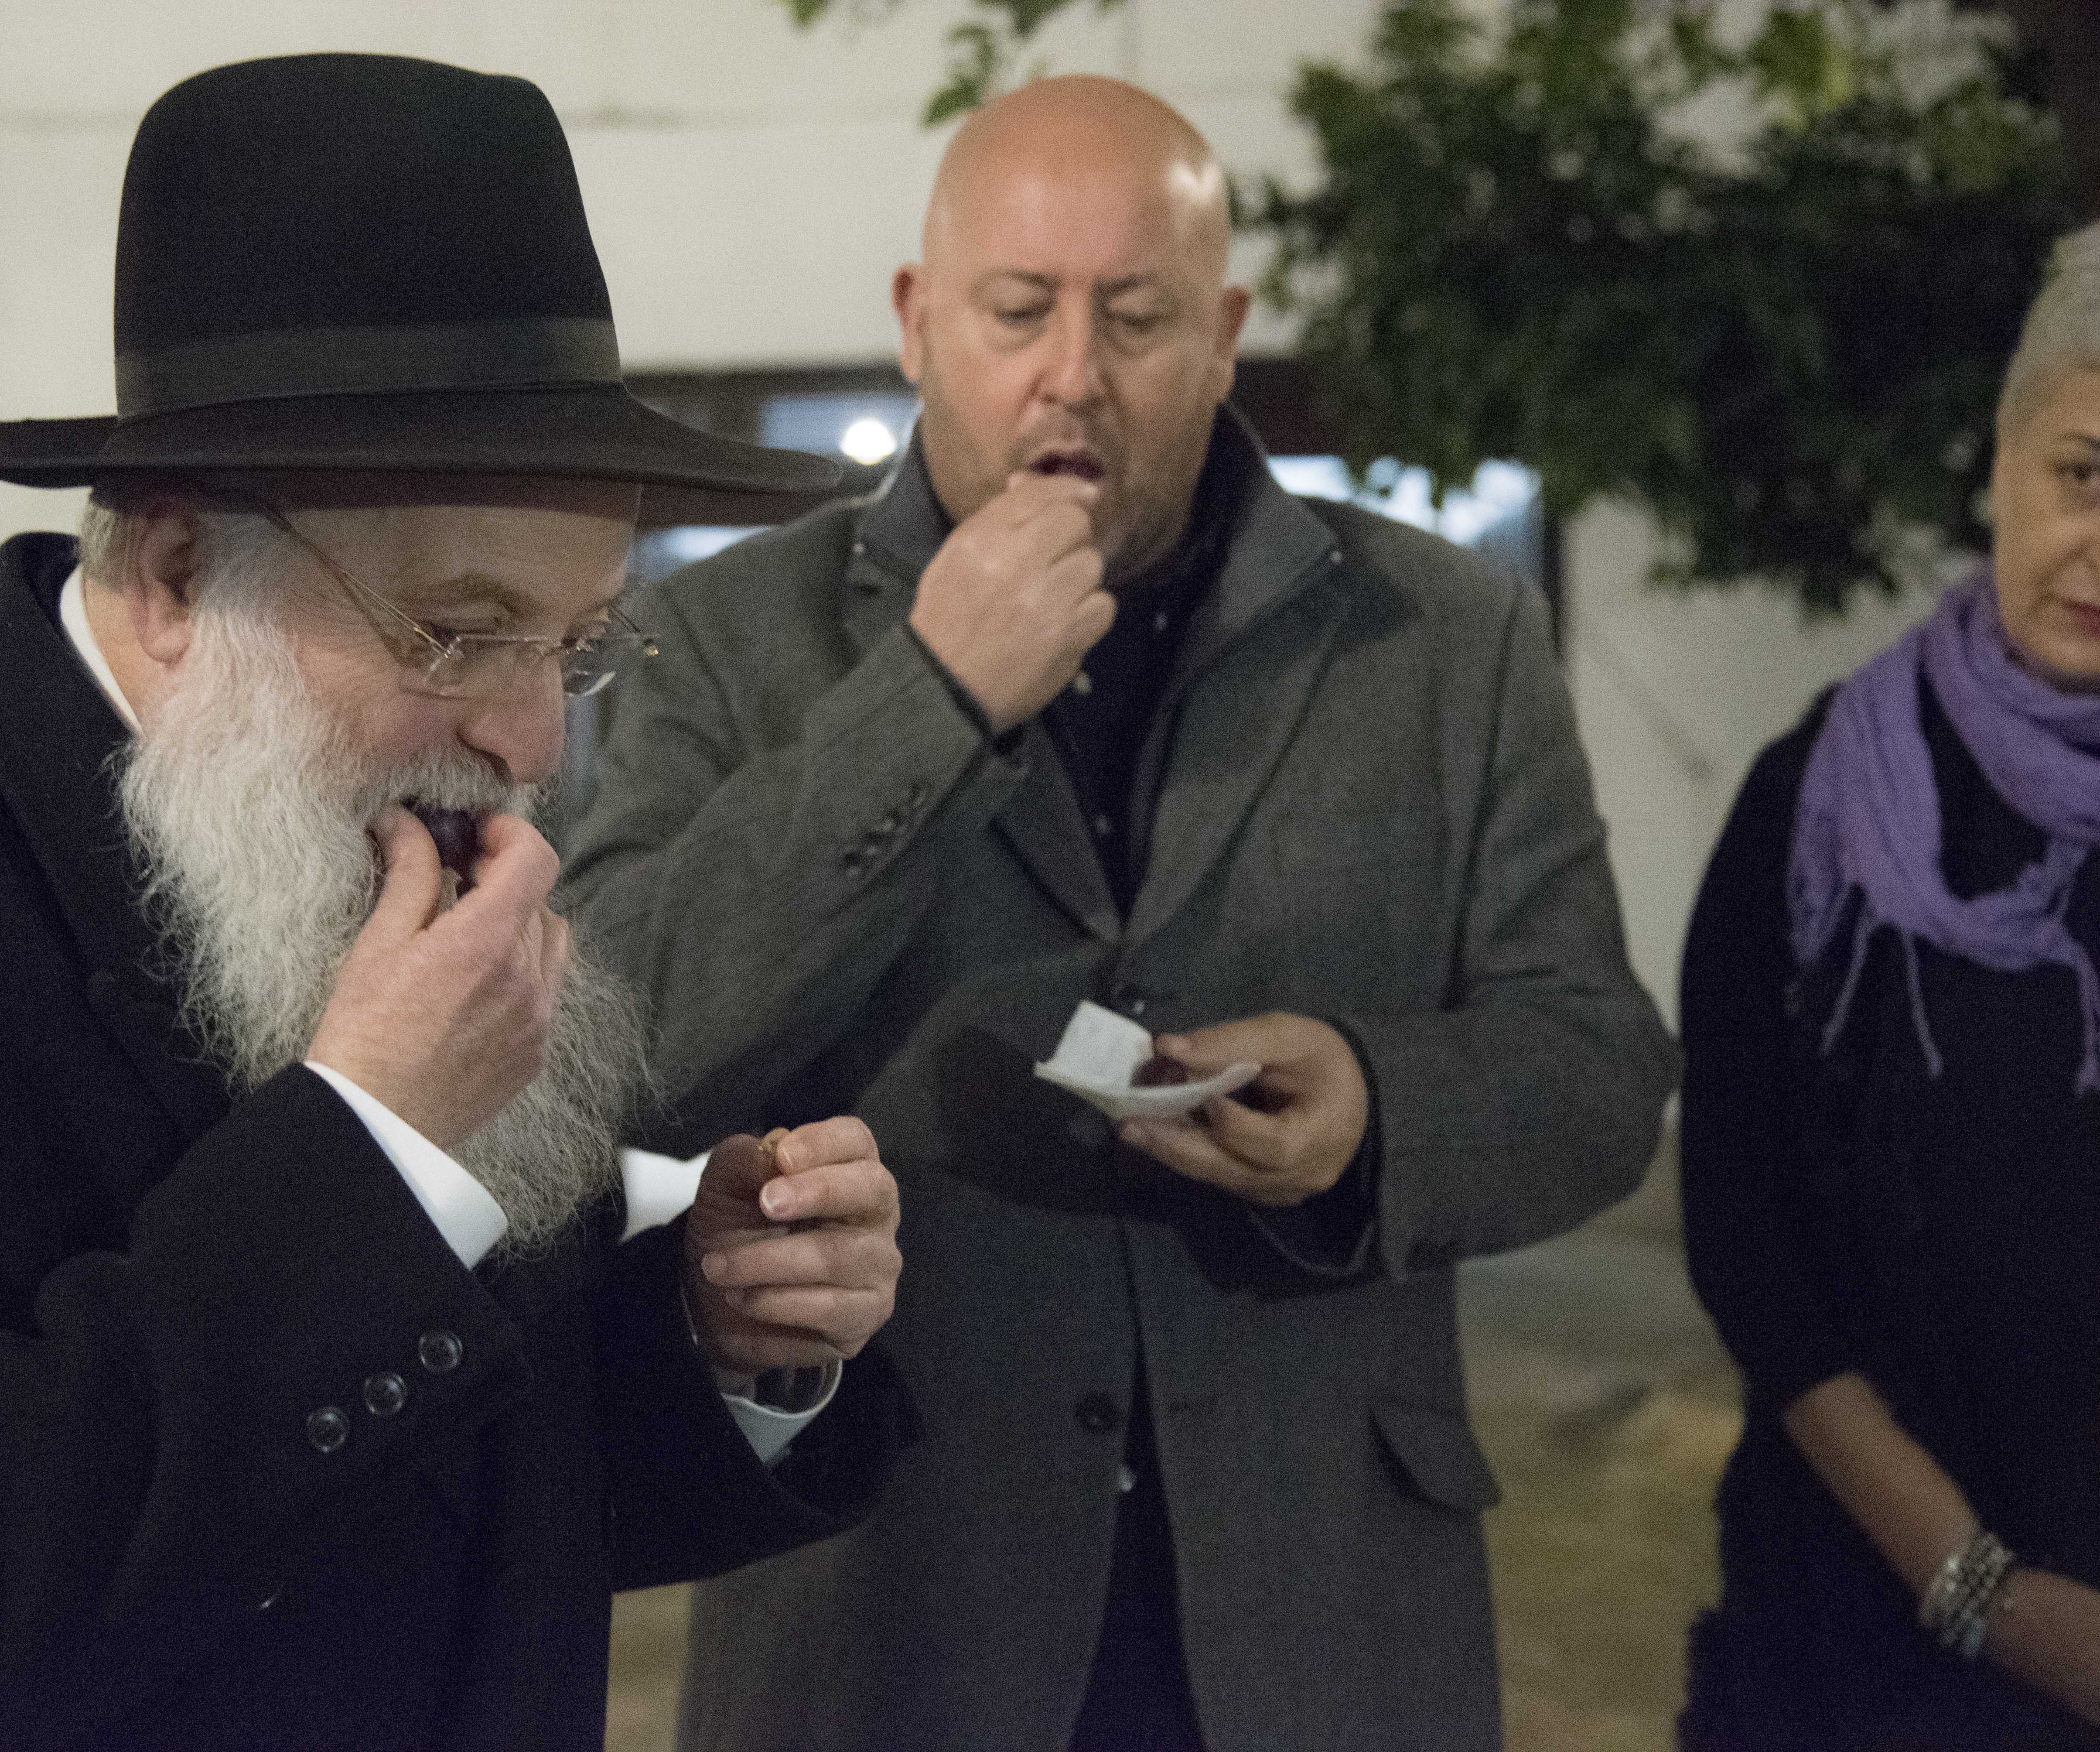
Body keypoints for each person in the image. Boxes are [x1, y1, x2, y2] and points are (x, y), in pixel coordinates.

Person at [0, 55, 913, 1752]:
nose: (535, 739)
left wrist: (716, 1335)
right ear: (179, 573)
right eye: (461, 632)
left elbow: (470, 1508)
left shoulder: (396, 841)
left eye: (577, 640)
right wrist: (377, 1146)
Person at [561, 73, 1676, 1752]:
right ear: (919, 322)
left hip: (1324, 1614)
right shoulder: (724, 640)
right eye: (1019, 310)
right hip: (895, 1602)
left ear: (1223, 335)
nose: (1072, 370)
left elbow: (1600, 1069)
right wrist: (933, 698)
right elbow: (612, 1055)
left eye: (1137, 316)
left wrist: (1380, 1111)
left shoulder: (1444, 637)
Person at [1679, 224, 2100, 1749]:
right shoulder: (1828, 802)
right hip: (1864, 1642)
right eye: (2083, 474)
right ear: (2003, 457)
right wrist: (1986, 1593)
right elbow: (1748, 1229)